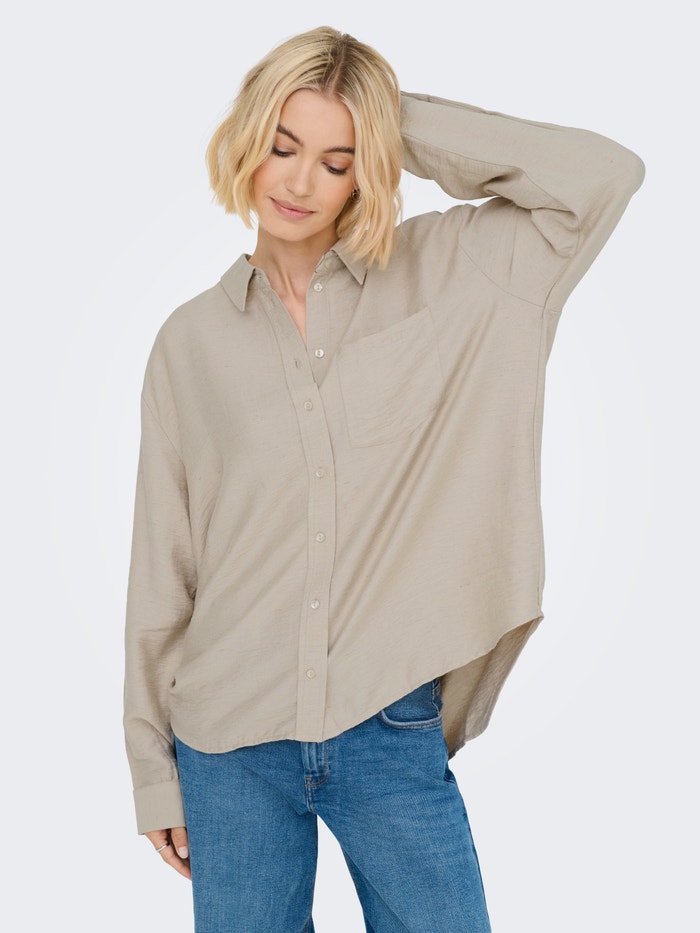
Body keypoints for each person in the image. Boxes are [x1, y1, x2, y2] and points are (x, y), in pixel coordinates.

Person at [123, 25, 644, 932]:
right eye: (283, 145)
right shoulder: (188, 343)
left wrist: (387, 117)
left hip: (388, 724)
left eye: (337, 160)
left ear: (369, 169)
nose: (299, 181)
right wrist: (152, 770)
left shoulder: (460, 270)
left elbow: (603, 177)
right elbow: (163, 572)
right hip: (226, 740)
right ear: (246, 137)